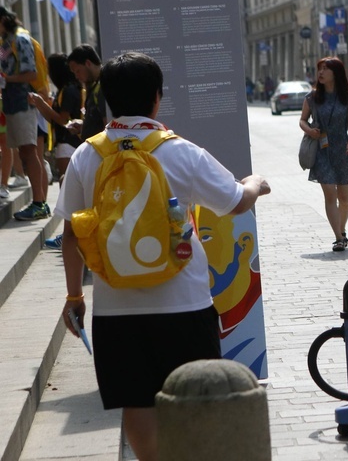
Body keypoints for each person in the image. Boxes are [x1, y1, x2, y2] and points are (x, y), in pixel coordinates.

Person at [55, 52, 271, 461]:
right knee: (195, 398)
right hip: (184, 303)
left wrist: (74, 297)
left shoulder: (87, 156)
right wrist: (254, 183)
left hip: (115, 310)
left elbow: (70, 236)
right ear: (157, 98)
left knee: (137, 403)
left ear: (108, 101)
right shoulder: (180, 151)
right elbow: (235, 202)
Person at [299, 57, 348, 252]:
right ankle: (338, 238)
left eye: (325, 69)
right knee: (329, 195)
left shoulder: (347, 97)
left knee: (344, 198)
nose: (321, 73)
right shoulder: (312, 97)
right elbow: (302, 120)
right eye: (319, 69)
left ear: (336, 73)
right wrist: (309, 131)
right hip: (322, 151)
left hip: (342, 150)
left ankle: (342, 230)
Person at [29, 53, 83, 250]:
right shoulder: (68, 89)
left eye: (50, 70)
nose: (48, 74)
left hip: (68, 144)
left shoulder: (68, 90)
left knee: (69, 191)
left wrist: (42, 104)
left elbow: (62, 120)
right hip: (67, 144)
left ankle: (69, 234)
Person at [0, 6, 50, 220]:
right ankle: (38, 201)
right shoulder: (7, 40)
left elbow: (31, 73)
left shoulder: (20, 39)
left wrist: (7, 79)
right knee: (25, 152)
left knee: (30, 152)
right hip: (12, 102)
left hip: (24, 102)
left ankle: (39, 203)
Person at [67, 44, 107, 141]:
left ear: (88, 63)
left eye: (78, 71)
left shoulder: (103, 87)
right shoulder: (95, 87)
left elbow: (108, 127)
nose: (77, 77)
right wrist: (84, 126)